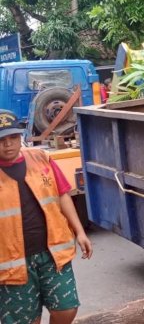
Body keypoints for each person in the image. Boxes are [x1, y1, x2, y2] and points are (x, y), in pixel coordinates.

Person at [0, 111, 93, 324]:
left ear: (20, 136)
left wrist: (79, 231)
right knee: (27, 319)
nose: (8, 145)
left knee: (66, 308)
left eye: (13, 138)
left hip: (52, 253)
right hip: (12, 261)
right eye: (1, 140)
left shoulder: (40, 158)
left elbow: (62, 194)